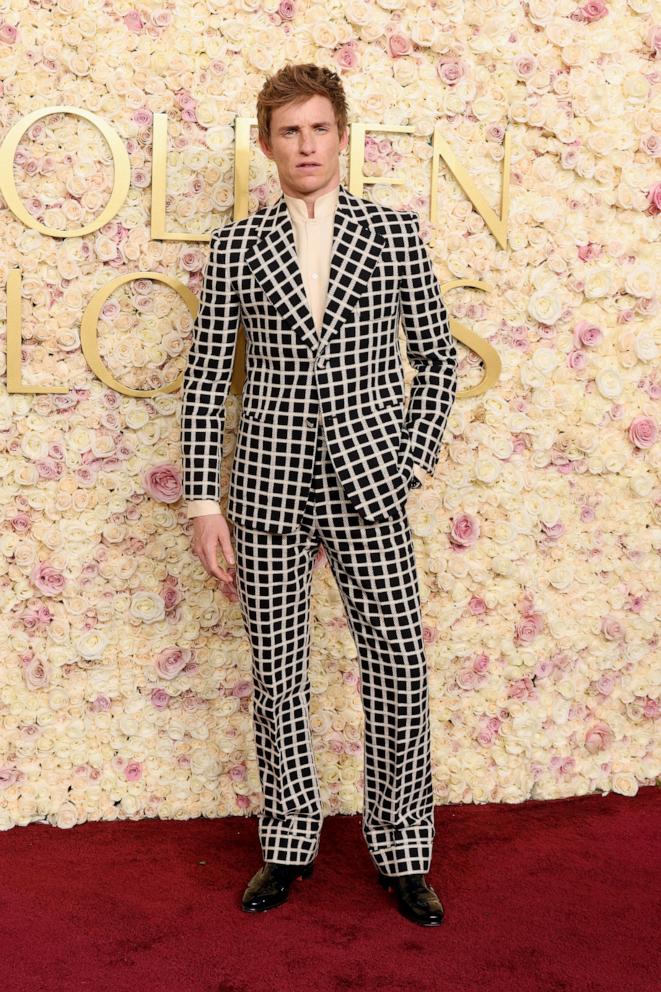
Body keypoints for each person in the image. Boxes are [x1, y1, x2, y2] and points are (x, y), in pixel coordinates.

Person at [180, 62, 458, 927]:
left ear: (342, 136)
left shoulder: (394, 233)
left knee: (399, 668)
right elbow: (203, 384)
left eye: (319, 129)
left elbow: (438, 356)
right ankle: (289, 843)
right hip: (264, 487)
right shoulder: (237, 245)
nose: (305, 145)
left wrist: (407, 462)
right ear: (266, 145)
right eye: (289, 131)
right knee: (277, 674)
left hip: (371, 484)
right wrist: (202, 502)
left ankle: (403, 850)